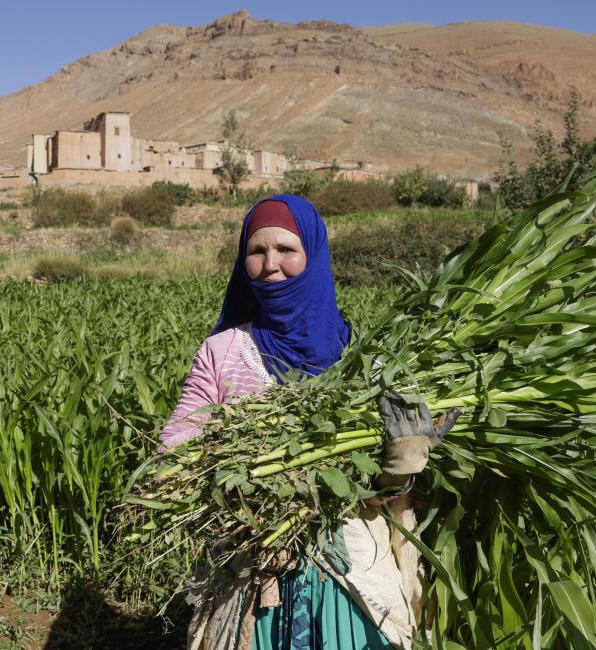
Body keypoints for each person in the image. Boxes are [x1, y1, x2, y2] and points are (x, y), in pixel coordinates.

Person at [161, 194, 456, 650]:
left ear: (313, 255)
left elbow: (383, 487)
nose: (270, 265)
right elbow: (175, 446)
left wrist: (401, 464)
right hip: (251, 562)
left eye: (286, 250)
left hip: (351, 567)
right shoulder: (223, 352)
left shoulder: (360, 357)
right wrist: (236, 460)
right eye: (256, 251)